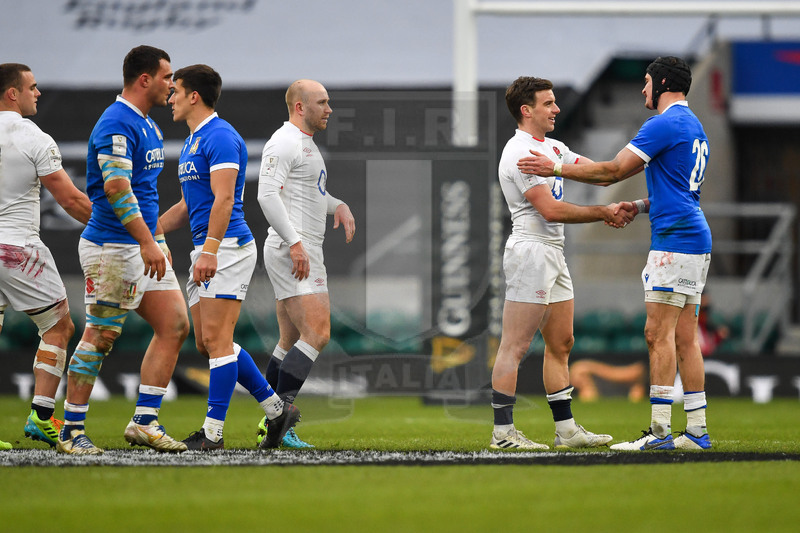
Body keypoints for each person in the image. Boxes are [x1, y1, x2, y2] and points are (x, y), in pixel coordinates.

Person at [518, 57, 712, 451]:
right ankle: (697, 432)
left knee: (658, 334)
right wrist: (640, 206)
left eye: (645, 82)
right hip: (695, 238)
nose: (642, 91)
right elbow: (679, 191)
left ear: (660, 83)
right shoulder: (694, 126)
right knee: (686, 339)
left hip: (673, 242)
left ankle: (659, 435)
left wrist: (554, 168)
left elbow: (611, 171)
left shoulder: (663, 124)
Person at [158, 64, 299, 451]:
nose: (169, 98)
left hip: (227, 248)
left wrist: (210, 251)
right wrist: (149, 228)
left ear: (193, 96)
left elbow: (223, 200)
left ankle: (213, 433)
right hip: (209, 248)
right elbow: (189, 206)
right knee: (207, 343)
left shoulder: (220, 136)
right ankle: (276, 410)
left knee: (218, 341)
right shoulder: (192, 141)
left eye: (176, 91)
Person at [57, 46, 190, 455]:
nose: (172, 84)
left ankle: (144, 422)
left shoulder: (147, 124)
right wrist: (148, 241)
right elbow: (116, 188)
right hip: (112, 248)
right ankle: (71, 430)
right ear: (145, 79)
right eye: (167, 77)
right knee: (100, 335)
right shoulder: (116, 122)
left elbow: (146, 194)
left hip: (142, 245)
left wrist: (158, 241)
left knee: (175, 324)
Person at [490, 76, 629, 450]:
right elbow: (549, 210)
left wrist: (646, 158)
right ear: (527, 110)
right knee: (515, 346)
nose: (556, 109)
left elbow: (601, 173)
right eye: (548, 103)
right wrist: (603, 213)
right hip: (531, 250)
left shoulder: (553, 147)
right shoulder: (518, 152)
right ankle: (503, 433)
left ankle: (566, 430)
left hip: (554, 251)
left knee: (562, 342)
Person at [256, 79, 355, 449]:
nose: (329, 109)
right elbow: (266, 195)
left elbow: (310, 194)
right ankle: (280, 417)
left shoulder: (305, 145)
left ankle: (273, 423)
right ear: (300, 107)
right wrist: (295, 243)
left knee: (291, 339)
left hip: (298, 246)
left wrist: (337, 204)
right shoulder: (283, 141)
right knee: (318, 333)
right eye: (322, 102)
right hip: (293, 248)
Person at [0, 63, 92, 449]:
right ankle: (41, 416)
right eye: (32, 87)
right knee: (59, 326)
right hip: (17, 248)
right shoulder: (32, 136)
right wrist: (126, 230)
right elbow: (70, 199)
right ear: (12, 94)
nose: (37, 93)